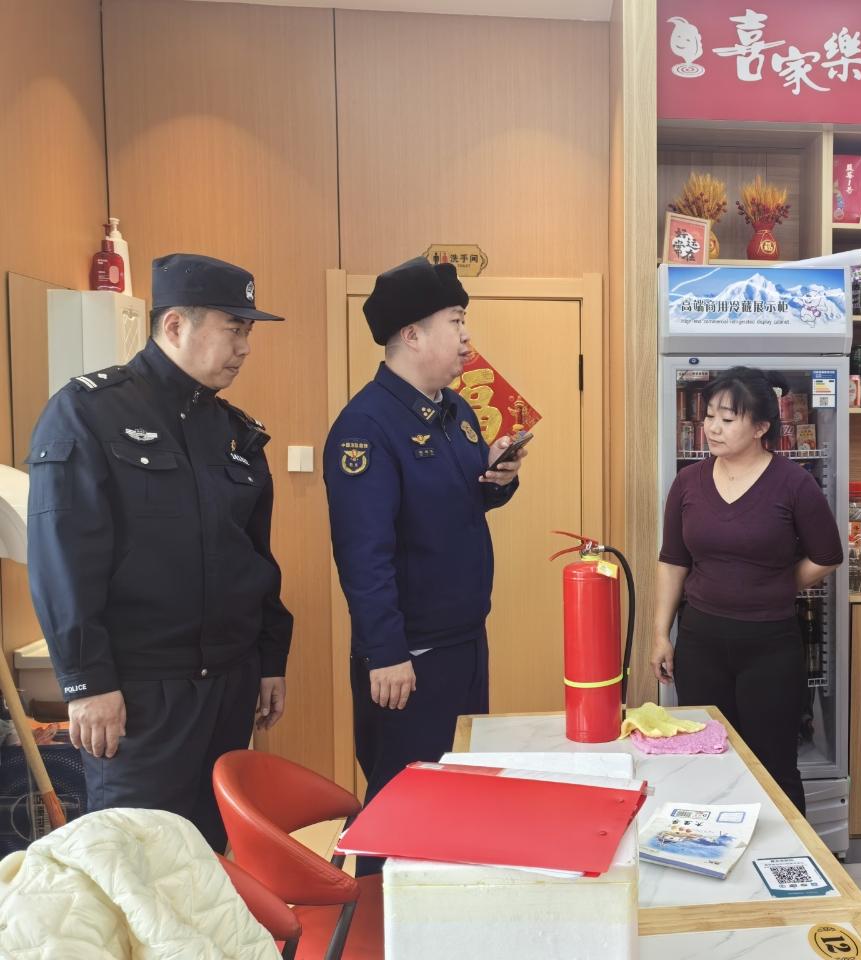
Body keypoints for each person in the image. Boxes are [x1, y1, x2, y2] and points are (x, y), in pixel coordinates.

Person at [26, 253, 293, 853]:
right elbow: (63, 559)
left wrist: (270, 658)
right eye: (234, 328)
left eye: (247, 332)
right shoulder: (89, 412)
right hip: (141, 694)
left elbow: (254, 556)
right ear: (175, 325)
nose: (245, 348)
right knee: (138, 862)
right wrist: (85, 682)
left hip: (228, 685)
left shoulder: (235, 431)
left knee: (210, 860)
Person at [325, 257, 526, 873]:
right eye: (455, 321)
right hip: (408, 655)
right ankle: (375, 915)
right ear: (411, 334)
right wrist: (385, 652)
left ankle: (446, 916)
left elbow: (460, 502)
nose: (467, 336)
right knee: (401, 805)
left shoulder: (455, 411)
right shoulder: (366, 427)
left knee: (457, 793)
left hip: (464, 641)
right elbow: (364, 554)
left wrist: (498, 479)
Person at [651, 366, 843, 814]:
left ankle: (787, 852)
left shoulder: (794, 483)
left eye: (727, 418)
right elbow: (673, 559)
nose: (712, 428)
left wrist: (773, 584)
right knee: (704, 759)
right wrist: (661, 633)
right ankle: (711, 849)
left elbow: (827, 555)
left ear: (760, 427)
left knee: (774, 767)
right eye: (709, 416)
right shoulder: (688, 482)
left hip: (769, 647)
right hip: (700, 641)